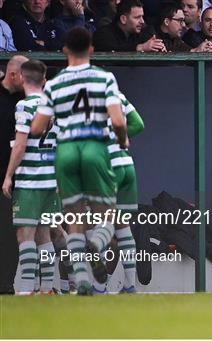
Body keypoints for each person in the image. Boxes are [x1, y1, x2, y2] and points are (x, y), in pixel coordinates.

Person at [31, 27, 128, 295]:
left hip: (67, 153)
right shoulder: (104, 78)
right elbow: (119, 120)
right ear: (92, 50)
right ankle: (97, 244)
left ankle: (82, 280)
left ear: (64, 51)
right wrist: (122, 139)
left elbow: (38, 128)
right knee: (107, 214)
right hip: (95, 150)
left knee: (73, 221)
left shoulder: (55, 83)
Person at [1, 59, 59, 295]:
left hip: (30, 180)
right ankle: (46, 289)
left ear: (22, 78)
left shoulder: (24, 106)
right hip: (50, 180)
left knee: (25, 234)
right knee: (44, 234)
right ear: (44, 80)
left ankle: (25, 291)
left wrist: (8, 176)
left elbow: (20, 144)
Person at [91, 92, 143, 294]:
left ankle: (99, 287)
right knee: (122, 227)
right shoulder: (117, 96)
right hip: (125, 164)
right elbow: (138, 124)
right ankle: (130, 286)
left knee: (103, 222)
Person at [0, 55, 27, 295]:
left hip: (13, 178)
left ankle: (6, 283)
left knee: (11, 231)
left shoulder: (26, 100)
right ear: (13, 75)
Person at [93, 0, 165, 52]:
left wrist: (157, 47)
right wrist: (140, 48)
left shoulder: (142, 33)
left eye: (142, 17)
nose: (142, 21)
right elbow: (112, 51)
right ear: (123, 19)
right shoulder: (103, 34)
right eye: (137, 17)